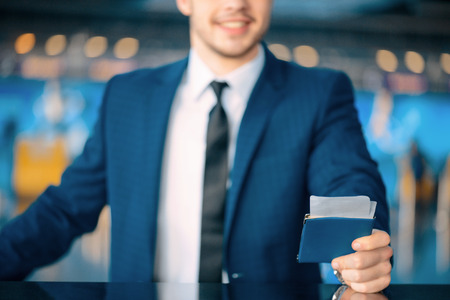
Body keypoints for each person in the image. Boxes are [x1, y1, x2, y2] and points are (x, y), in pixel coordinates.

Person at [0, 0, 392, 293]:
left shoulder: (318, 93)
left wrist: (360, 243)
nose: (236, 4)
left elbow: (349, 180)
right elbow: (66, 209)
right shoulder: (128, 96)